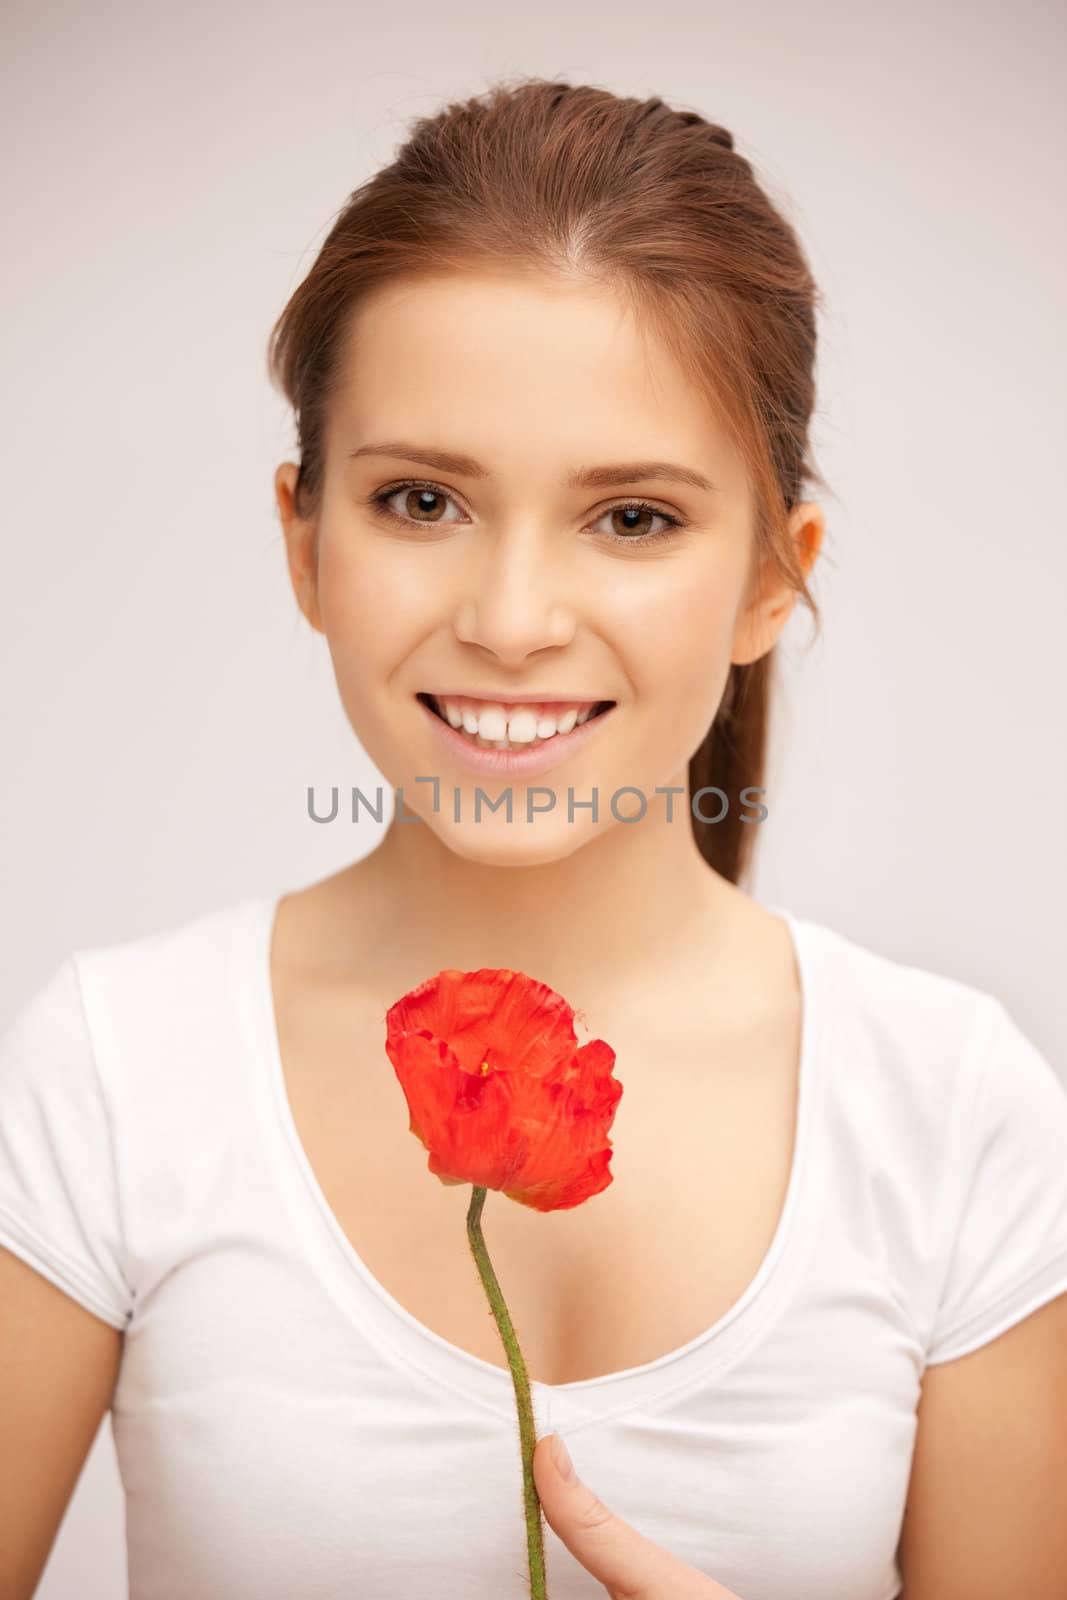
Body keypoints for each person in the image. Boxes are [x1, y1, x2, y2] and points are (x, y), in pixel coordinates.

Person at [2, 76, 1066, 1600]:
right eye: (421, 499)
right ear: (303, 540)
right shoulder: (113, 1076)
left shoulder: (955, 1119)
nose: (509, 623)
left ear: (777, 578)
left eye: (632, 518)